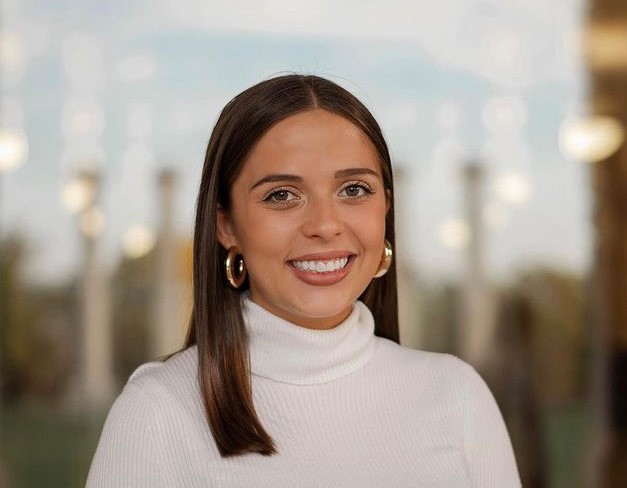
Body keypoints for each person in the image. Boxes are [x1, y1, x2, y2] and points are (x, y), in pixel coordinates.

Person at [86, 74, 521, 487]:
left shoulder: (457, 396)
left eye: (353, 189)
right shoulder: (159, 411)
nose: (325, 225)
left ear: (386, 208)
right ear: (226, 225)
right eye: (282, 195)